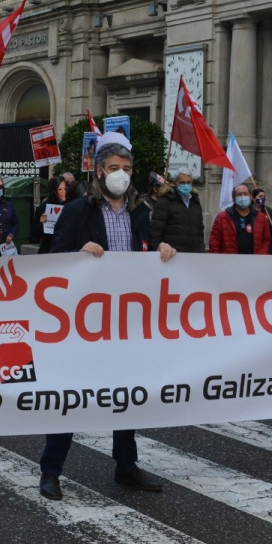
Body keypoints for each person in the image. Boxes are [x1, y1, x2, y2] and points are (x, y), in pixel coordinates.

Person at [38, 133, 176, 499]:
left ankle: (125, 465)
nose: (121, 175)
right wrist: (77, 253)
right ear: (99, 172)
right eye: (114, 168)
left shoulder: (140, 212)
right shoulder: (78, 210)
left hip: (124, 322)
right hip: (83, 323)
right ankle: (51, 469)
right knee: (70, 394)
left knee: (126, 394)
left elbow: (149, 256)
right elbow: (52, 258)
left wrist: (164, 251)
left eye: (126, 169)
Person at [150, 168, 205, 253]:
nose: (186, 185)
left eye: (188, 182)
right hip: (171, 257)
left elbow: (200, 232)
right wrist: (159, 251)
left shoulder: (195, 203)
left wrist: (201, 251)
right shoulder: (165, 202)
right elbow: (155, 232)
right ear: (176, 183)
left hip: (193, 257)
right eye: (182, 183)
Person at [209, 184, 272, 255]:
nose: (243, 196)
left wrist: (261, 255)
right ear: (233, 199)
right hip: (229, 262)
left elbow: (266, 240)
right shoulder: (222, 217)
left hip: (254, 262)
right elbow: (214, 243)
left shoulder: (261, 217)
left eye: (245, 194)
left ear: (251, 197)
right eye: (239, 194)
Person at [34, 176, 69, 254]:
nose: (64, 192)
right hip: (48, 249)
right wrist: (42, 224)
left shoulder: (69, 206)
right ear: (54, 191)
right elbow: (36, 234)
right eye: (60, 189)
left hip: (65, 249)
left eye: (65, 189)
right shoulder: (43, 208)